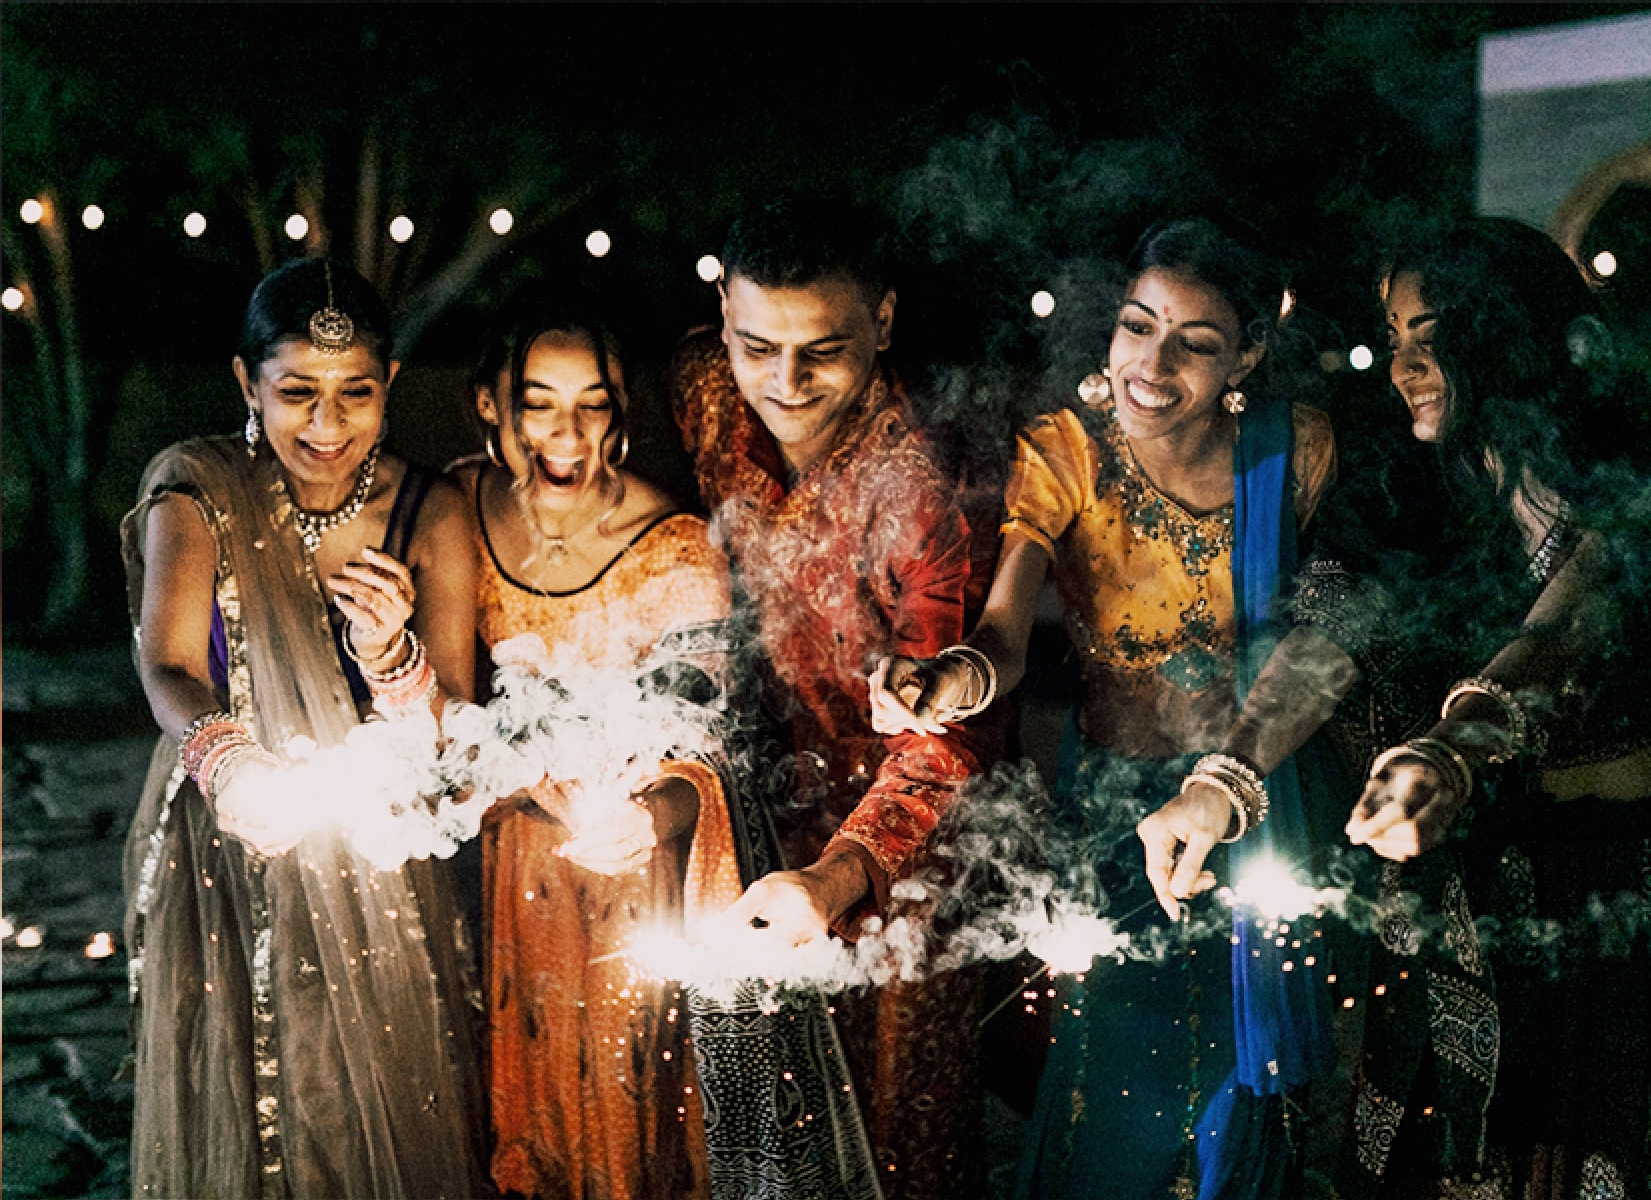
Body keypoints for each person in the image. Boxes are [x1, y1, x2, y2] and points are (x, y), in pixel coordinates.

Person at [871, 219, 1342, 1198]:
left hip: (1259, 791)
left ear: (1246, 356)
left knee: (1242, 1079)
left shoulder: (1291, 450)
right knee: (1118, 1084)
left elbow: (1325, 631)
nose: (1153, 362)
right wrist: (945, 680)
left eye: (1197, 343)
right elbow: (1002, 633)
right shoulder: (1066, 452)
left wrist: (1237, 776)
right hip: (1120, 816)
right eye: (1137, 326)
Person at [1344, 217, 1651, 1198]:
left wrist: (1456, 741)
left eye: (1430, 333)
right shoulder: (1436, 485)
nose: (1405, 364)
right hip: (1492, 880)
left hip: (1620, 891)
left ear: (1506, 331)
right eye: (1394, 336)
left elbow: (1570, 614)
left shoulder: (1635, 469)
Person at [121, 257, 485, 1198]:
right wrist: (231, 763)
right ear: (247, 383)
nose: (326, 426)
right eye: (296, 394)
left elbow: (455, 727)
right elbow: (167, 665)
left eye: (355, 394)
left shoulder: (430, 513)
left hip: (380, 863)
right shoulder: (197, 494)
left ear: (392, 384)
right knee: (243, 1095)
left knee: (366, 1097)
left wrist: (391, 657)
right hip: (227, 843)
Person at [669, 196, 995, 1199]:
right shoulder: (700, 389)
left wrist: (836, 878)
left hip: (894, 862)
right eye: (758, 346)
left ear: (885, 322)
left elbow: (943, 745)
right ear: (722, 316)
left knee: (895, 1143)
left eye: (825, 351)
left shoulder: (919, 489)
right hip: (742, 825)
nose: (786, 383)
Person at [452, 285, 745, 1200]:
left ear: (619, 413)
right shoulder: (460, 505)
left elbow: (707, 730)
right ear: (492, 404)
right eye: (538, 402)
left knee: (622, 1114)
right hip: (511, 860)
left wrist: (641, 816)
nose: (565, 433)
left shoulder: (675, 544)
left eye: (591, 404)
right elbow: (447, 700)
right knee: (517, 1116)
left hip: (627, 869)